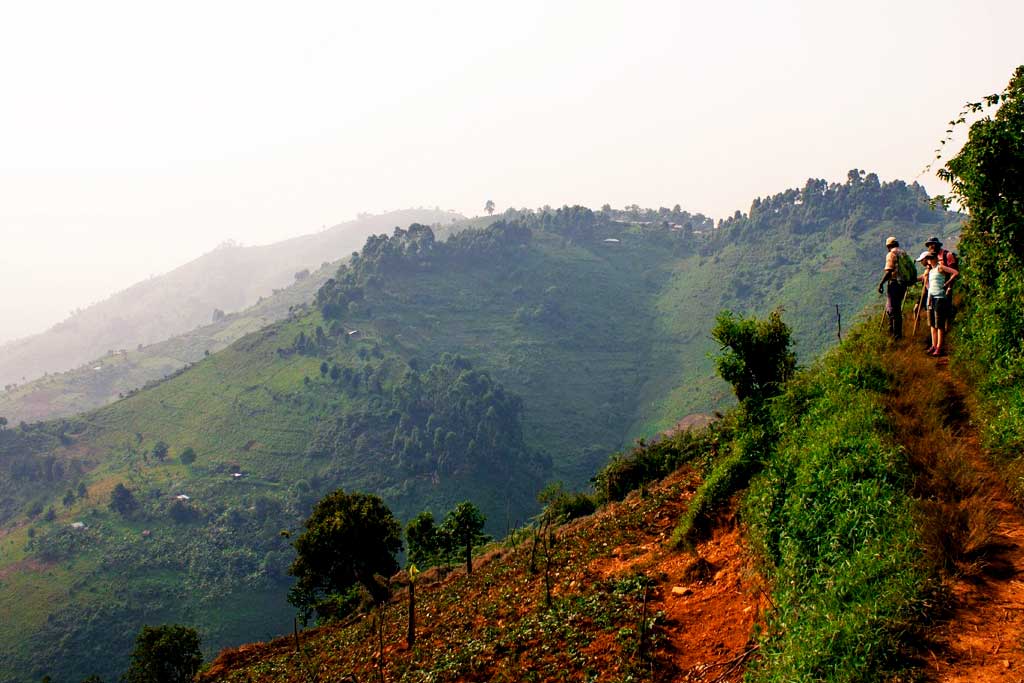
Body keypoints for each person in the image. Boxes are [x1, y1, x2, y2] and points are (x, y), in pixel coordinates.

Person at [918, 251, 959, 356]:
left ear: (935, 258)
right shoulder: (931, 271)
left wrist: (947, 284)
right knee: (932, 324)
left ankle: (939, 347)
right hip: (931, 298)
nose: (930, 260)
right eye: (929, 259)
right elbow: (928, 284)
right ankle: (934, 345)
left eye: (931, 258)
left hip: (940, 297)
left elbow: (955, 272)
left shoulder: (940, 267)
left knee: (939, 324)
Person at [877, 236, 912, 340]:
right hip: (903, 284)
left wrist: (881, 283)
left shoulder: (891, 254)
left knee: (893, 310)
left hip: (895, 284)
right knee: (896, 309)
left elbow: (889, 271)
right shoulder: (903, 253)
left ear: (888, 246)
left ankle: (895, 336)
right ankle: (895, 334)